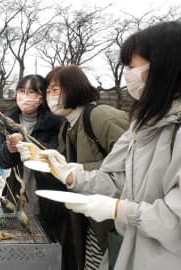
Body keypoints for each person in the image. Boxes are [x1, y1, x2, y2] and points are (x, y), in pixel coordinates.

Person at [37, 21, 181, 270]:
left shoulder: (103, 116)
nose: (128, 75)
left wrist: (119, 210)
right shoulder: (142, 124)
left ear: (164, 67)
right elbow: (119, 180)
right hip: (131, 249)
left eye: (132, 67)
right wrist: (73, 177)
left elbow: (173, 219)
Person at [20, 65, 128, 270]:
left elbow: (132, 167)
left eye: (56, 89)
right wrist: (42, 160)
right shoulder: (67, 125)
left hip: (113, 218)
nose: (50, 96)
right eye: (48, 91)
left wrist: (75, 170)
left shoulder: (102, 116)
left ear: (74, 87)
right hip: (88, 219)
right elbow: (64, 170)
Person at [0, 74, 63, 222]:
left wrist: (27, 143)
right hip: (16, 192)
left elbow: (60, 154)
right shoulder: (8, 121)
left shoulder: (56, 122)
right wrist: (9, 149)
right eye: (21, 91)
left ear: (42, 97)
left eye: (32, 92)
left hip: (47, 195)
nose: (25, 97)